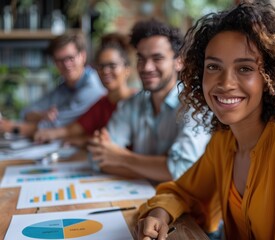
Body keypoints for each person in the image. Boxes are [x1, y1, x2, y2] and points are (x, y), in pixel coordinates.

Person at [135, 2, 275, 239]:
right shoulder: (225, 140)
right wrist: (160, 213)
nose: (225, 83)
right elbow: (184, 192)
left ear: (270, 77)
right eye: (213, 66)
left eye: (244, 68)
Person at [87, 19, 211, 182]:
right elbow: (97, 157)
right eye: (141, 59)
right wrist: (160, 168)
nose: (146, 67)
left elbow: (181, 169)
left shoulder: (195, 106)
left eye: (157, 58)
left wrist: (121, 157)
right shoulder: (131, 104)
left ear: (179, 61)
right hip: (135, 198)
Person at [33, 32, 137, 146]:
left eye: (112, 65)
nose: (106, 71)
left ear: (127, 69)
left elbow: (114, 141)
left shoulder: (138, 102)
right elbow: (73, 129)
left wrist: (86, 140)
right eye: (101, 66)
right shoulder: (102, 103)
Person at [0, 31, 105, 137]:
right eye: (60, 60)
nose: (66, 65)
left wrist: (10, 127)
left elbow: (53, 126)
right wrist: (41, 115)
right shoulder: (64, 86)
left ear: (83, 56)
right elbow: (25, 112)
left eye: (70, 58)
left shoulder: (93, 87)